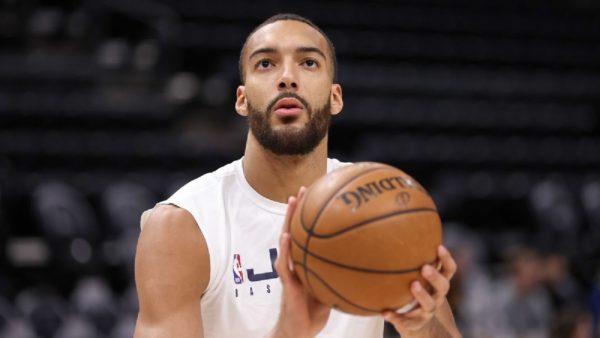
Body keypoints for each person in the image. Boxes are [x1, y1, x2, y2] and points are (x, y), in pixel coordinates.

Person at [133, 13, 461, 338]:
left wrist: (421, 325)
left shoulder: (383, 204)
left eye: (308, 63)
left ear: (335, 98)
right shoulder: (183, 226)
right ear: (242, 100)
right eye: (266, 64)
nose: (288, 77)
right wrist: (290, 331)